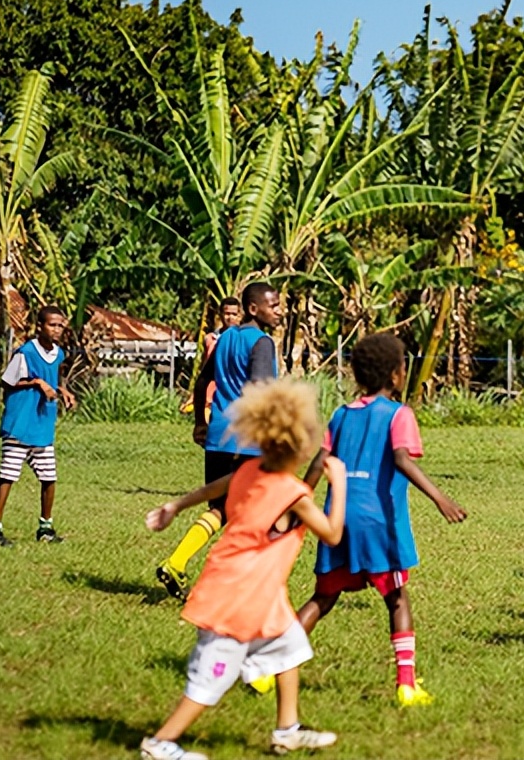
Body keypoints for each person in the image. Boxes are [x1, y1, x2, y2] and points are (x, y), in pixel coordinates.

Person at [141, 379, 346, 760]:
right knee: (212, 678)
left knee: (290, 650)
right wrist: (342, 484)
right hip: (237, 597)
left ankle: (287, 730)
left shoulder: (251, 471)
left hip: (257, 593)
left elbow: (217, 487)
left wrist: (176, 506)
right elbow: (332, 534)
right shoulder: (294, 494)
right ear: (298, 445)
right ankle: (161, 742)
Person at [280, 333, 466, 707]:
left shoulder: (342, 414)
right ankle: (406, 685)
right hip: (380, 523)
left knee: (323, 596)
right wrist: (440, 497)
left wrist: (296, 507)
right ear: (397, 375)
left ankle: (272, 669)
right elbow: (401, 458)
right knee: (397, 597)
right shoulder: (400, 414)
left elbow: (319, 462)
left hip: (338, 519)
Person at [157, 283, 282, 602]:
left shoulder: (226, 338)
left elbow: (202, 381)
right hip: (247, 440)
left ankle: (176, 562)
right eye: (274, 305)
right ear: (254, 309)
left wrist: (201, 421)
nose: (280, 311)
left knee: (221, 509)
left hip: (218, 437)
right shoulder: (262, 342)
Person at [0, 306, 76, 546]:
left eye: (60, 325)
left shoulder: (58, 354)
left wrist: (61, 389)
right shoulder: (25, 352)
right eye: (52, 325)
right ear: (39, 326)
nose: (57, 329)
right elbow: (6, 381)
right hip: (21, 424)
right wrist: (36, 383)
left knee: (49, 477)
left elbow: (53, 378)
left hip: (42, 424)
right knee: (8, 476)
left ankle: (45, 527)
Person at [178, 297, 242, 415]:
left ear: (240, 316)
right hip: (211, 395)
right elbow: (204, 368)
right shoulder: (211, 339)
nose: (230, 318)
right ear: (220, 314)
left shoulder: (243, 339)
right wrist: (194, 396)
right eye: (227, 313)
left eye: (234, 314)